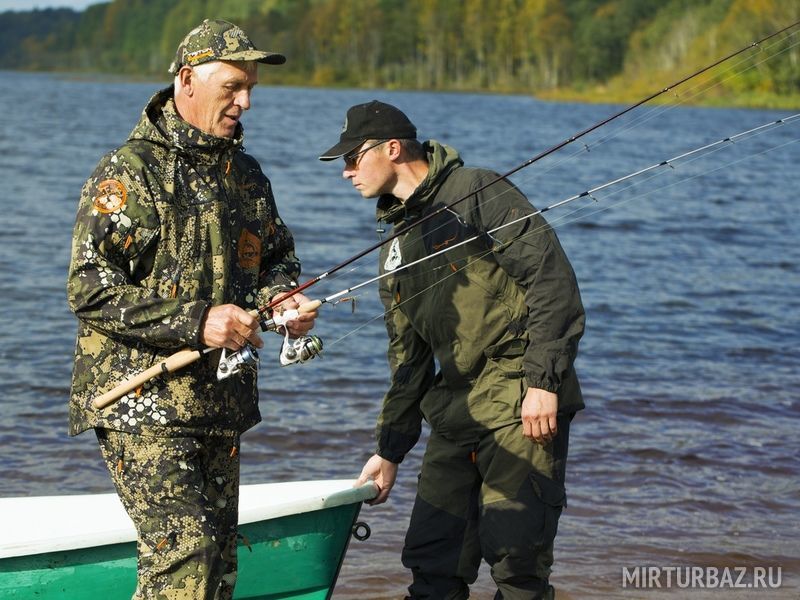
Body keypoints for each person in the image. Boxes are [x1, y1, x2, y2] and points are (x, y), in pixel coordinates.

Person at [67, 19, 317, 599]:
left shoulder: (247, 176)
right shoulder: (130, 171)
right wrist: (199, 320)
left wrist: (281, 299)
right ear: (187, 80)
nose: (245, 102)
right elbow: (89, 287)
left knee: (218, 568)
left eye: (250, 88)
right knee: (186, 553)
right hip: (139, 400)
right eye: (232, 86)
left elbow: (277, 259)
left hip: (221, 404)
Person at [319, 101, 585, 600]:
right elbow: (409, 360)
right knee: (431, 560)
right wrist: (389, 449)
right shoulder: (393, 247)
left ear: (392, 149)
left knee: (517, 562)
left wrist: (543, 382)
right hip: (453, 411)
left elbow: (552, 282)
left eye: (352, 158)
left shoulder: (477, 190)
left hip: (519, 397)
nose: (346, 172)